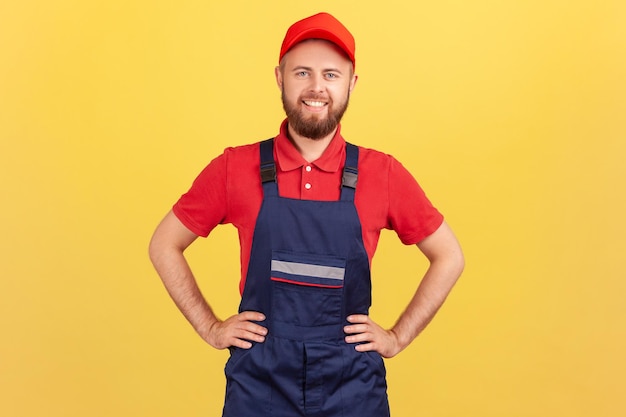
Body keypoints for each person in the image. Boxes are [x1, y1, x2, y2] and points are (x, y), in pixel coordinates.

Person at [149, 12, 464, 417]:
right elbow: (164, 244)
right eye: (303, 72)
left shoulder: (382, 174)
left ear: (351, 83)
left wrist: (398, 337)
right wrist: (209, 326)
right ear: (280, 77)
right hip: (260, 383)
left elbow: (450, 256)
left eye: (331, 74)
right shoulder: (234, 168)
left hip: (352, 383)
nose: (317, 88)